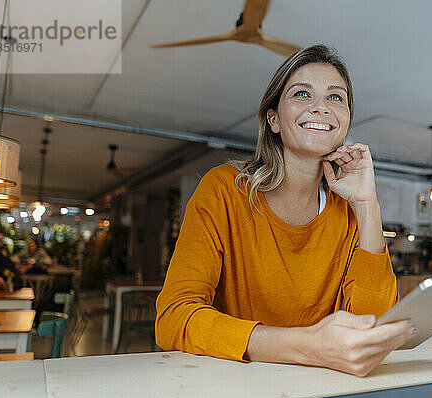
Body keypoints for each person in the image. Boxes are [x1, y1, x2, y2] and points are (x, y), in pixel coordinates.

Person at [155, 45, 415, 377]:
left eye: (336, 98)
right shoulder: (223, 191)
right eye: (302, 94)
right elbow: (174, 317)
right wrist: (309, 346)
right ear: (273, 119)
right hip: (235, 387)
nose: (321, 107)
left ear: (347, 120)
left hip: (328, 388)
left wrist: (367, 205)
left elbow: (372, 325)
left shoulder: (348, 212)